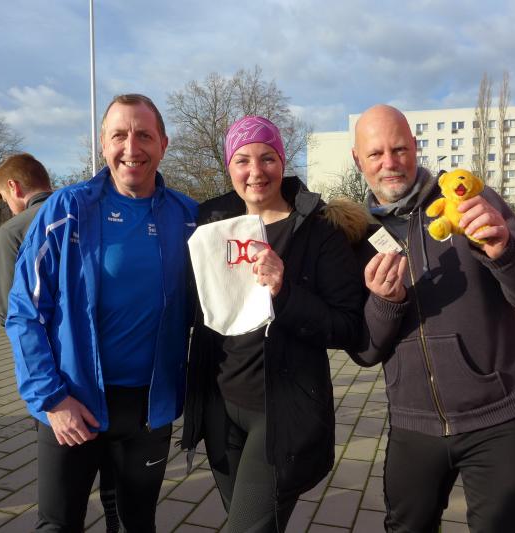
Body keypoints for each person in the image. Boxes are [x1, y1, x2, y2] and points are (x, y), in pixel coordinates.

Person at [348, 104, 515, 533]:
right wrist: (386, 302)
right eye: (376, 154)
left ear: (415, 146)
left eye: (399, 149)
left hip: (499, 418)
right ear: (358, 160)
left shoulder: (469, 203)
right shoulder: (359, 236)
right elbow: (365, 351)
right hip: (413, 424)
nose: (390, 162)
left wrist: (505, 251)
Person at [6, 94, 198, 532]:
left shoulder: (188, 216)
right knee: (59, 526)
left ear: (163, 144)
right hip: (73, 401)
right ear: (103, 143)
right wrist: (52, 399)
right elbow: (24, 313)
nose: (132, 147)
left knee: (136, 524)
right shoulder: (66, 210)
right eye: (119, 135)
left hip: (148, 408)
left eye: (144, 135)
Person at [181, 116, 365, 533]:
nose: (255, 171)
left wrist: (284, 291)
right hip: (219, 407)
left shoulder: (319, 230)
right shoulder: (212, 224)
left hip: (281, 414)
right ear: (229, 166)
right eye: (242, 160)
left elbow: (347, 326)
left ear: (282, 161)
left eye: (267, 157)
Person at [0, 153, 53, 325]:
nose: (11, 209)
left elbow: (10, 307)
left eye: (6, 199)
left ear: (13, 186)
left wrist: (3, 312)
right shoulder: (82, 212)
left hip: (43, 331)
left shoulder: (13, 230)